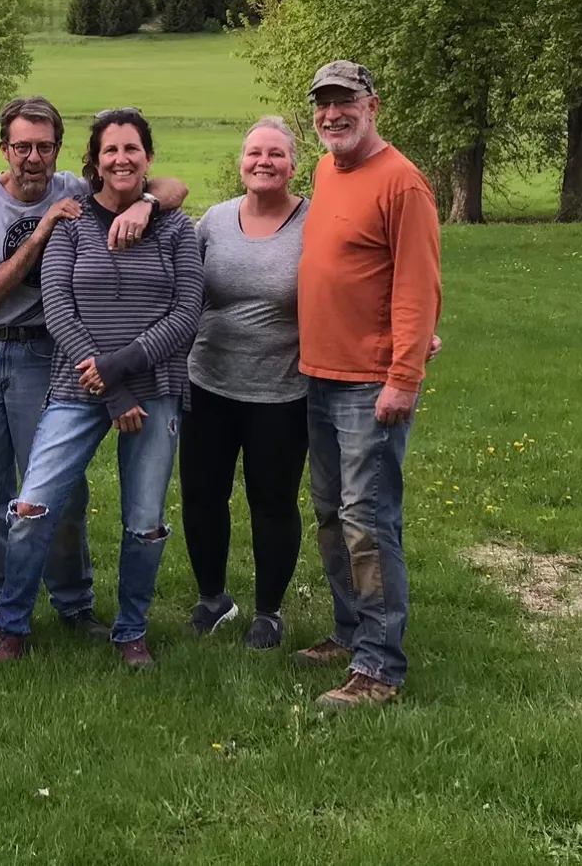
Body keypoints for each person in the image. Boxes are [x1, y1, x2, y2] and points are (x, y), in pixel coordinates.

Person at [0, 97, 188, 641]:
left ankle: (74, 605)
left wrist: (145, 204)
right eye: (22, 146)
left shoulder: (76, 190)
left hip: (41, 353)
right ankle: (11, 602)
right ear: (4, 148)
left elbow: (171, 188)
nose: (33, 157)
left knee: (60, 493)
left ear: (60, 152)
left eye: (44, 146)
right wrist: (41, 230)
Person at [292, 60, 442, 710]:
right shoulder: (328, 169)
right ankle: (350, 630)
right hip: (319, 375)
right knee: (332, 513)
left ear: (372, 106)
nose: (333, 114)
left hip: (368, 386)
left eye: (345, 102)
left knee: (368, 521)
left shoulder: (402, 183)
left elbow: (418, 284)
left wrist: (403, 376)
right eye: (323, 104)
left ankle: (379, 667)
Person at [179, 117, 311, 650]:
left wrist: (407, 328)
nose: (263, 161)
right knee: (202, 496)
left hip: (280, 390)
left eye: (275, 154)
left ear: (293, 166)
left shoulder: (315, 221)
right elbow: (181, 282)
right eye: (254, 152)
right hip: (207, 381)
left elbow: (358, 278)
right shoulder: (213, 220)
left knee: (272, 501)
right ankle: (213, 599)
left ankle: (269, 611)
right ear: (241, 162)